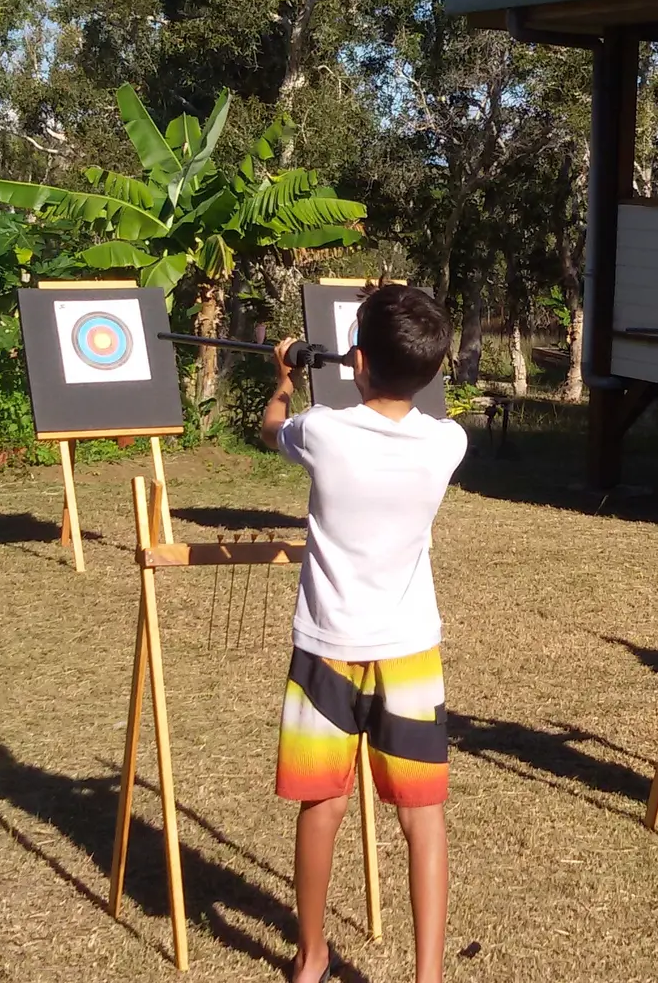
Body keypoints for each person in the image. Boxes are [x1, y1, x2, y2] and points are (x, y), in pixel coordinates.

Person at [260, 285, 468, 983]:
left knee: (325, 804)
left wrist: (284, 376)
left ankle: (311, 956)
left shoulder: (320, 430)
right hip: (409, 652)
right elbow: (399, 407)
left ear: (356, 360)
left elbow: (272, 431)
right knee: (423, 817)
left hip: (328, 646)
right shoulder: (449, 442)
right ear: (435, 370)